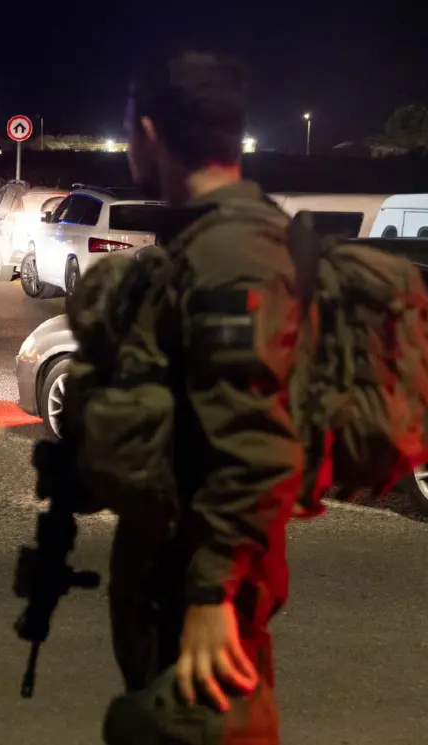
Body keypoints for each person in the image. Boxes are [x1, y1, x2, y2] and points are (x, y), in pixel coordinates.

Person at [106, 51, 302, 742]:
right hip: (184, 572)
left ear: (150, 133)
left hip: (199, 586)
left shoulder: (228, 253)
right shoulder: (219, 238)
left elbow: (252, 430)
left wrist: (211, 591)